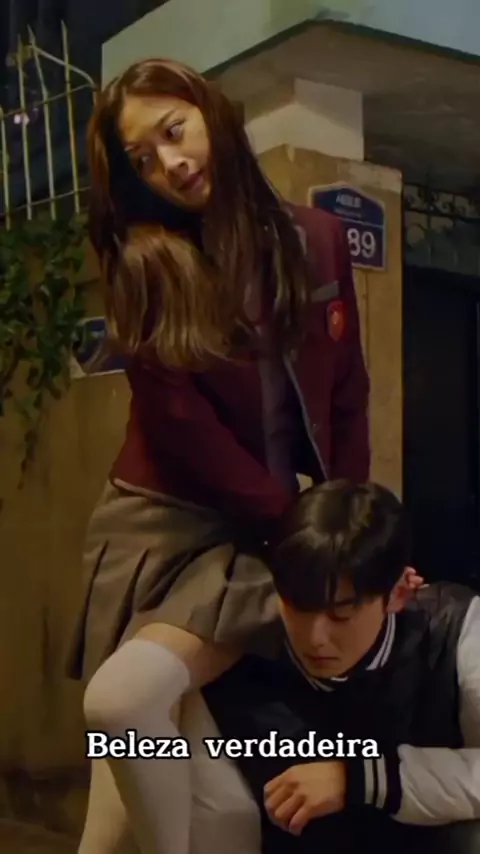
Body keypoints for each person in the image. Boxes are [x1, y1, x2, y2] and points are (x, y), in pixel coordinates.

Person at [67, 56, 373, 854]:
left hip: (266, 526)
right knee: (135, 727)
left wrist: (351, 535)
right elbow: (185, 430)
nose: (171, 163)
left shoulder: (318, 240)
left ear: (211, 112)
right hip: (165, 530)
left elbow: (347, 396)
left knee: (195, 813)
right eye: (143, 160)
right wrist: (301, 539)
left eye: (175, 131)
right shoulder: (147, 266)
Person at [200, 481, 480, 854]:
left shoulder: (456, 630)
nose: (315, 638)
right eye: (298, 607)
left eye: (341, 615)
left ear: (397, 594)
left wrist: (360, 778)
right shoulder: (240, 657)